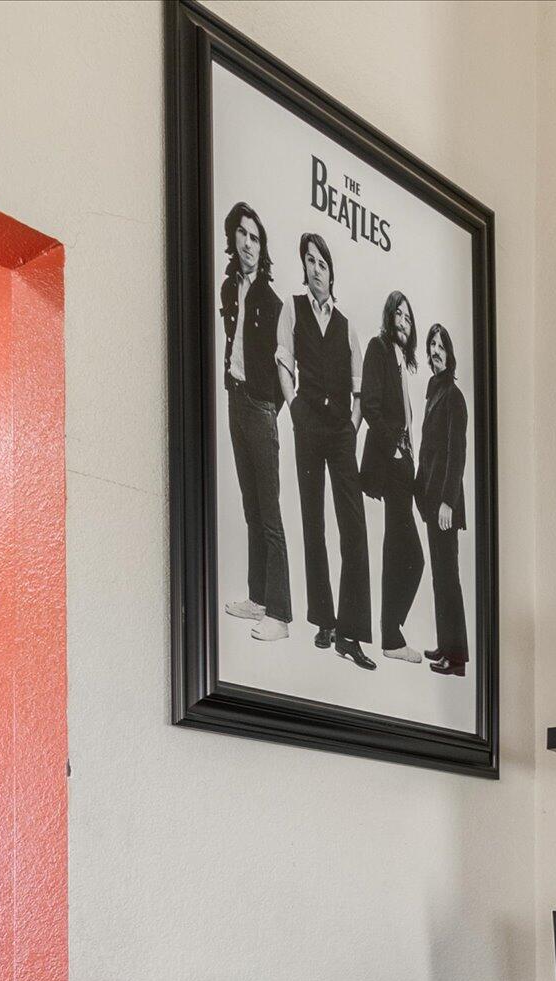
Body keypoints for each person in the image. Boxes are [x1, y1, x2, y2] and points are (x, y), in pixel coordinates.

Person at [287, 233, 373, 669]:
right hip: (307, 425)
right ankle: (324, 620)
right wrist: (294, 407)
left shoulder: (346, 324)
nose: (315, 268)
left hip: (340, 430)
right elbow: (284, 361)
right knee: (313, 521)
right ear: (304, 268)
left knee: (353, 529)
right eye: (309, 261)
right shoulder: (294, 308)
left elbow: (359, 387)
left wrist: (352, 427)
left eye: (321, 262)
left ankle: (351, 633)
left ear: (331, 270)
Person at [217, 202, 289, 639]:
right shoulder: (230, 289)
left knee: (270, 512)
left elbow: (283, 367)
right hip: (235, 399)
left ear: (263, 248)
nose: (248, 243)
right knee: (250, 506)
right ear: (234, 239)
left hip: (261, 409)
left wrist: (266, 407)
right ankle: (257, 597)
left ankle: (279, 614)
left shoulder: (273, 302)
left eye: (255, 237)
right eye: (242, 234)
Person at [359, 291, 427, 664]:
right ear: (389, 317)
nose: (404, 320)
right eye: (398, 314)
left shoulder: (403, 362)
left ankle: (390, 635)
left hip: (403, 467)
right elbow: (370, 404)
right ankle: (391, 635)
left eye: (409, 316)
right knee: (411, 556)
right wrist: (397, 451)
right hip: (389, 463)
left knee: (399, 550)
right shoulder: (378, 349)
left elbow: (405, 419)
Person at [416, 323, 470, 676]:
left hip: (444, 505)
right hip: (432, 501)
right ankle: (446, 645)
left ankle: (457, 657)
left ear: (450, 354)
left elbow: (456, 453)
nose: (435, 350)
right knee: (441, 576)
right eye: (431, 345)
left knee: (448, 576)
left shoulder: (453, 395)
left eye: (441, 345)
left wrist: (448, 501)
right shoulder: (434, 391)